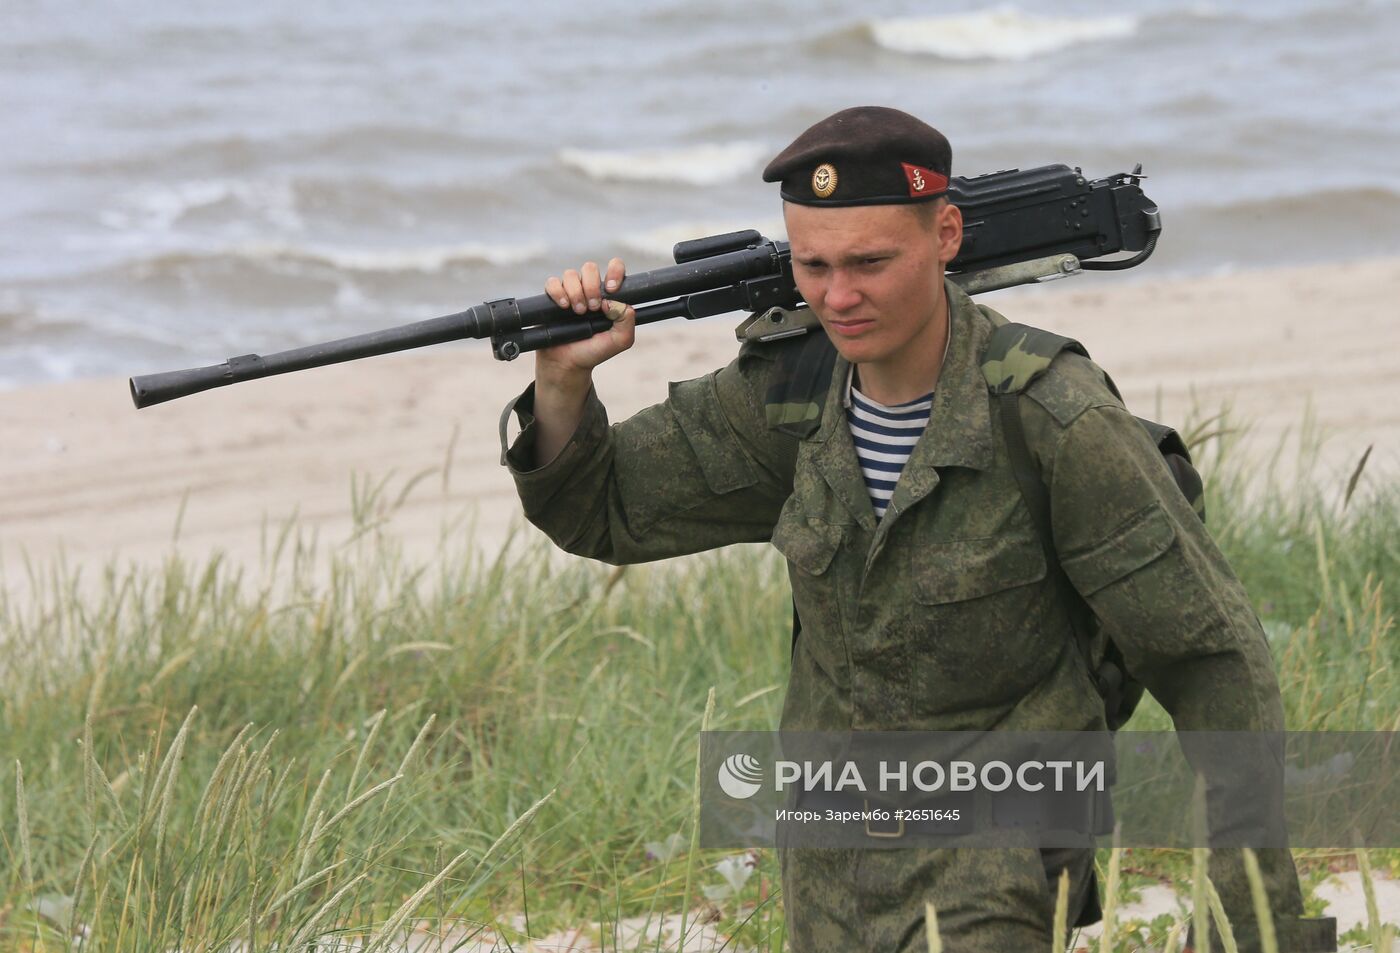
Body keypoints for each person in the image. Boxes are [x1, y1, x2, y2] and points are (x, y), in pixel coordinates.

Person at [497, 107, 1330, 952]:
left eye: (870, 262)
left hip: (998, 873)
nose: (839, 297)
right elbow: (602, 508)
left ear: (947, 235)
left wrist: (1250, 917)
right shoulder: (784, 398)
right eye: (814, 266)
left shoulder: (1054, 418)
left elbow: (1213, 657)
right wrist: (563, 381)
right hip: (826, 879)